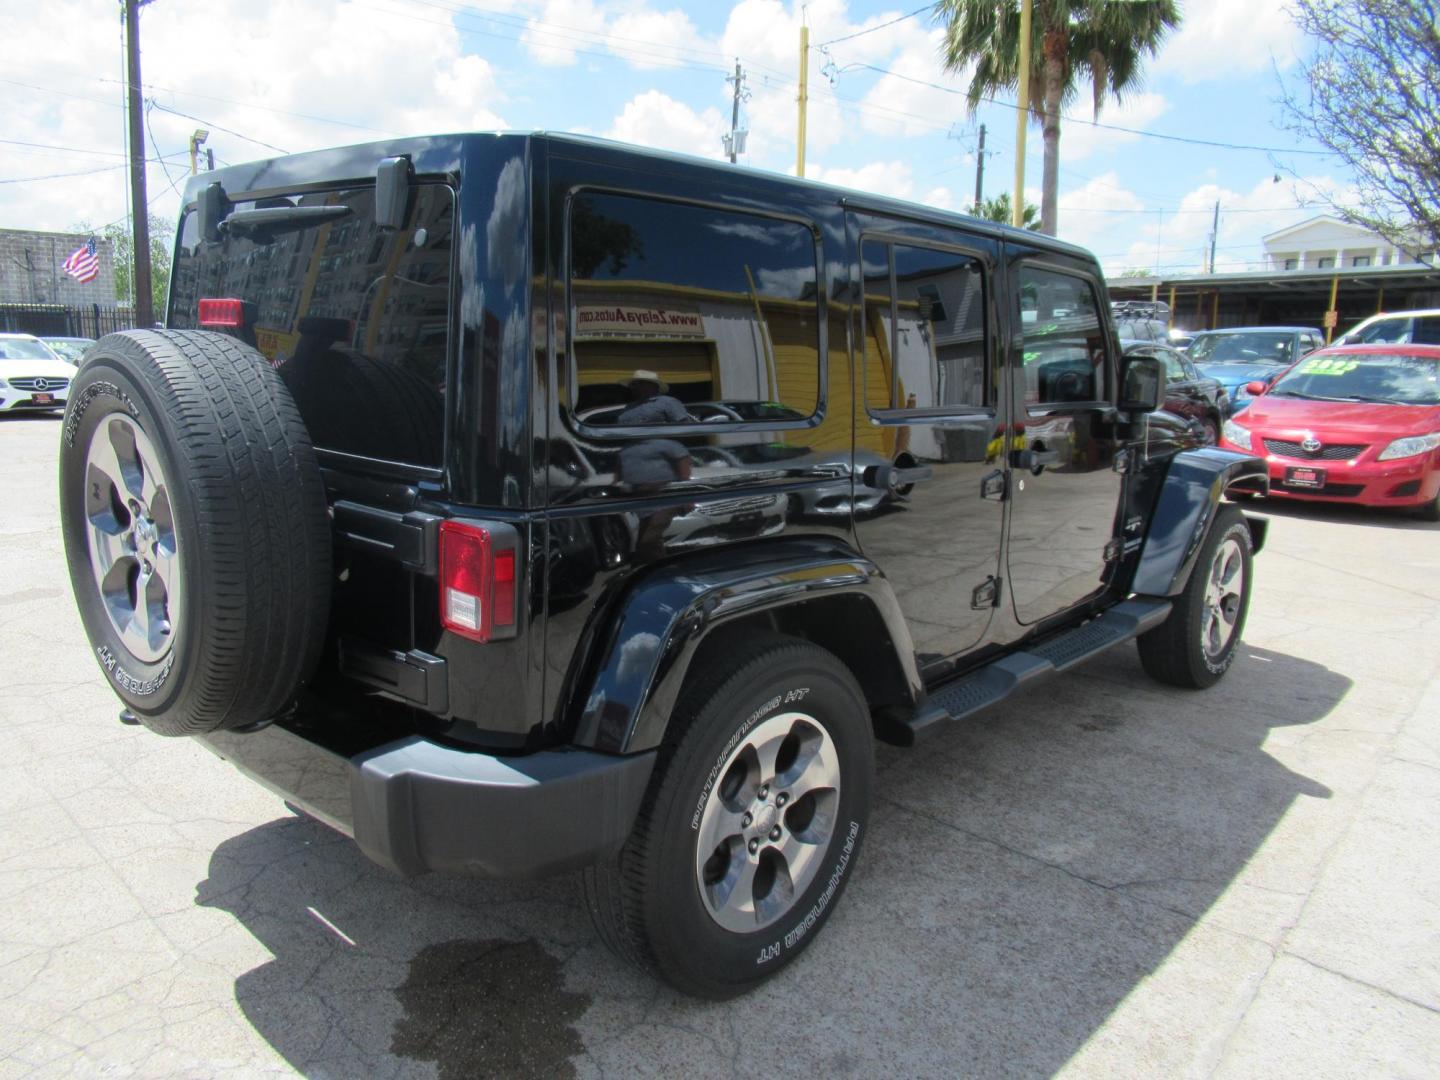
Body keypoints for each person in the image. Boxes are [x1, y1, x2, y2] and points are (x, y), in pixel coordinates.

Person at [615, 369, 693, 425]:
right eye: (633, 384)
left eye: (640, 383)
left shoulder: (667, 402)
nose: (634, 387)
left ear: (654, 386)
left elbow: (684, 426)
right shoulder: (629, 407)